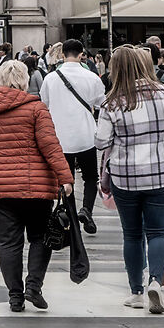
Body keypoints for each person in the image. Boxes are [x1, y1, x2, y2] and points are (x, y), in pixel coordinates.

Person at [0, 56, 72, 312]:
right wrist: (66, 178)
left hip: (0, 187)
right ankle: (33, 286)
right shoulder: (36, 108)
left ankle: (15, 296)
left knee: (8, 242)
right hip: (36, 187)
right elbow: (51, 147)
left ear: (0, 80)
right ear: (25, 81)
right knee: (40, 238)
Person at [96, 43, 164, 313]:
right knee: (158, 232)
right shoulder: (163, 93)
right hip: (161, 173)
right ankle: (155, 281)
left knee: (132, 234)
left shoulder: (111, 102)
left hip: (125, 177)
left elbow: (101, 142)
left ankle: (136, 291)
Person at [39, 42, 106, 231]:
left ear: (62, 53)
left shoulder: (51, 78)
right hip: (85, 135)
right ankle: (87, 209)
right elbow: (102, 103)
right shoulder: (91, 77)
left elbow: (44, 104)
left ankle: (69, 215)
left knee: (65, 179)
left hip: (60, 137)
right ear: (81, 54)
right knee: (91, 177)